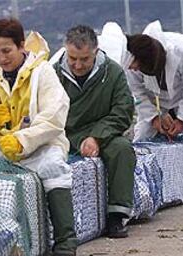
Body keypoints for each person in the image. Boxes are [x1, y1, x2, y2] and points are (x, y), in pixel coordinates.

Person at [0, 18, 78, 256]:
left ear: (22, 46)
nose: (2, 58)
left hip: (42, 145)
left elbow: (54, 119)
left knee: (53, 168)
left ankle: (66, 238)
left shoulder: (43, 72)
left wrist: (23, 139)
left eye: (7, 51)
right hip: (3, 145)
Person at [52, 25, 136, 238]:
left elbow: (123, 111)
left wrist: (97, 137)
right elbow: (45, 113)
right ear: (65, 50)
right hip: (65, 134)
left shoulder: (113, 72)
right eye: (72, 58)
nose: (78, 65)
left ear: (96, 52)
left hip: (103, 131)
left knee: (123, 149)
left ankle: (117, 215)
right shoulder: (52, 73)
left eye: (84, 59)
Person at [125, 21, 183, 203]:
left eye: (136, 64)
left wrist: (182, 120)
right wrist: (155, 118)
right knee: (143, 132)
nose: (133, 67)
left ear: (147, 61)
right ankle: (137, 178)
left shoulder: (181, 51)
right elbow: (138, 94)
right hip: (157, 94)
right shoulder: (131, 63)